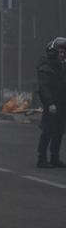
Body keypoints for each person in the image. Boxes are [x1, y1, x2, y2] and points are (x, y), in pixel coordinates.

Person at [35, 37, 66, 168]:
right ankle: (41, 158)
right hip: (52, 105)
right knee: (48, 131)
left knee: (59, 131)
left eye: (64, 52)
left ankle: (55, 157)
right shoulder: (45, 68)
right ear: (52, 52)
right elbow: (44, 87)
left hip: (62, 104)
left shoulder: (62, 67)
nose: (63, 54)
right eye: (60, 52)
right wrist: (50, 103)